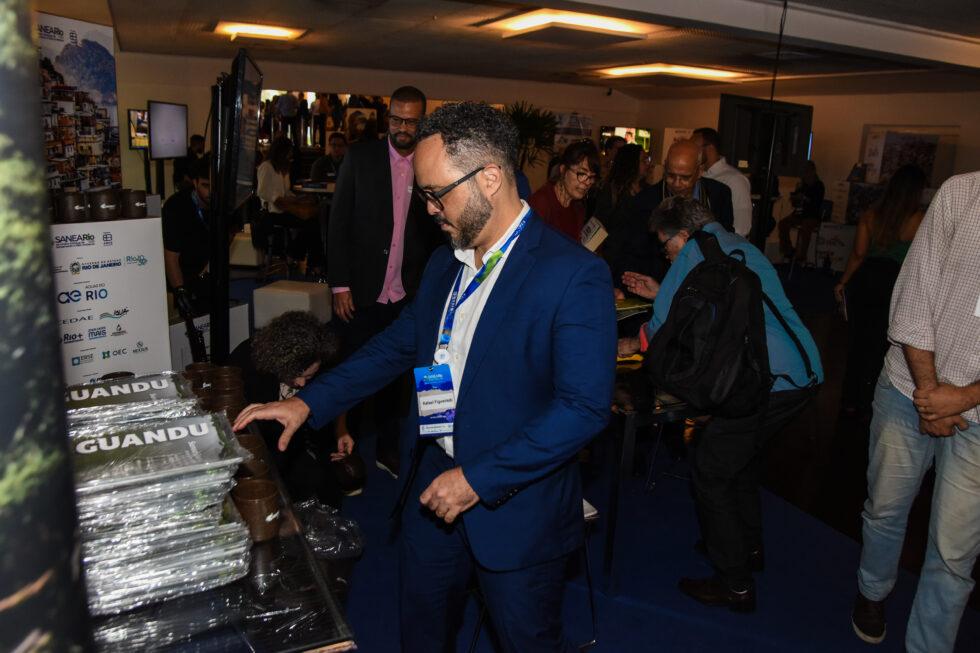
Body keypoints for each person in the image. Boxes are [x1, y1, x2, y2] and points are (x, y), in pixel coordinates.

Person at [234, 101, 617, 652]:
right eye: (424, 195)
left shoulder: (573, 274)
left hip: (515, 506)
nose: (430, 209)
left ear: (490, 177)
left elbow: (583, 409)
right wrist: (309, 402)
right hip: (432, 481)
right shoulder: (445, 262)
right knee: (421, 633)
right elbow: (395, 346)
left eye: (437, 193)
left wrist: (477, 479)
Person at [619, 197, 823, 612]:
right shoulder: (731, 243)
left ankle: (735, 585)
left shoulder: (693, 252)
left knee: (711, 469)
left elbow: (660, 328)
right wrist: (663, 291)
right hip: (801, 371)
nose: (666, 255)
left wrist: (626, 343)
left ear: (683, 234)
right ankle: (747, 548)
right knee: (739, 462)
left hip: (771, 381)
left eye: (666, 245)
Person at [851, 171, 980, 653]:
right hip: (908, 389)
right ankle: (872, 592)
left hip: (977, 413)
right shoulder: (962, 193)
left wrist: (965, 396)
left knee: (954, 553)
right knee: (885, 508)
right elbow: (914, 297)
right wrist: (931, 394)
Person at [327, 85, 439, 479]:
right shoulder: (360, 157)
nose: (403, 128)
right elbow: (338, 223)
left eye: (411, 122)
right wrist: (339, 284)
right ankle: (347, 445)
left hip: (407, 293)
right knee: (353, 369)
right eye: (396, 119)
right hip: (360, 290)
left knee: (399, 379)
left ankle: (388, 449)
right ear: (387, 117)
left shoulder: (431, 162)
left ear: (422, 122)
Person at [228, 311, 356, 507]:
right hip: (264, 441)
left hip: (310, 433)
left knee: (328, 486)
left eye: (309, 377)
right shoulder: (247, 365)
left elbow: (338, 395)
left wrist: (341, 429)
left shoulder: (324, 358)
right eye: (295, 374)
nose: (302, 384)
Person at [835, 165, 926, 417]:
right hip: (895, 284)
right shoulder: (920, 219)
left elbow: (858, 255)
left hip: (866, 280)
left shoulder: (871, 215)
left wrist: (842, 282)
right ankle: (870, 400)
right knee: (883, 344)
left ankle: (849, 399)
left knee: (857, 342)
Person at [604, 140, 735, 291]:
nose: (677, 184)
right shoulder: (645, 201)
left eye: (685, 177)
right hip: (661, 284)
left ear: (700, 171)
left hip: (709, 284)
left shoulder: (719, 194)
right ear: (665, 167)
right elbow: (629, 251)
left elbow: (726, 239)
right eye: (671, 175)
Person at [254, 136, 323, 276]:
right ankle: (309, 261)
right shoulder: (266, 167)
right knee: (311, 223)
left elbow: (285, 192)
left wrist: (298, 199)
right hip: (271, 212)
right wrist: (281, 199)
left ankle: (303, 258)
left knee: (313, 222)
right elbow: (262, 191)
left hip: (283, 209)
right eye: (288, 152)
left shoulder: (283, 168)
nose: (290, 155)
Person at [162, 159, 213, 315]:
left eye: (215, 186)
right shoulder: (176, 207)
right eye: (206, 185)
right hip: (185, 273)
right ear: (195, 182)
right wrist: (180, 291)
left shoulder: (224, 203)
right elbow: (171, 257)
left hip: (209, 272)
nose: (211, 192)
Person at [528, 140, 599, 241]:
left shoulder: (578, 207)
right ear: (563, 169)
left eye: (591, 177)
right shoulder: (542, 203)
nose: (587, 182)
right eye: (582, 174)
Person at [692, 127, 752, 237]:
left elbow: (742, 228)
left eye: (694, 147)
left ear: (710, 148)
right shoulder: (698, 175)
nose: (690, 152)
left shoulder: (735, 179)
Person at [594, 143, 651, 236]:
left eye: (647, 160)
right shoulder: (611, 190)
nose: (648, 164)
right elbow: (599, 223)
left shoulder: (648, 190)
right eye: (644, 160)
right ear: (632, 163)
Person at [778, 160, 826, 261]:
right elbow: (795, 204)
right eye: (804, 172)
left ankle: (801, 256)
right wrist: (795, 198)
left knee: (805, 227)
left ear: (812, 171)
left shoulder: (819, 186)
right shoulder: (802, 185)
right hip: (800, 214)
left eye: (807, 172)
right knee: (783, 223)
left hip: (812, 216)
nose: (805, 175)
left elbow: (816, 203)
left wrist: (804, 198)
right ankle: (788, 250)